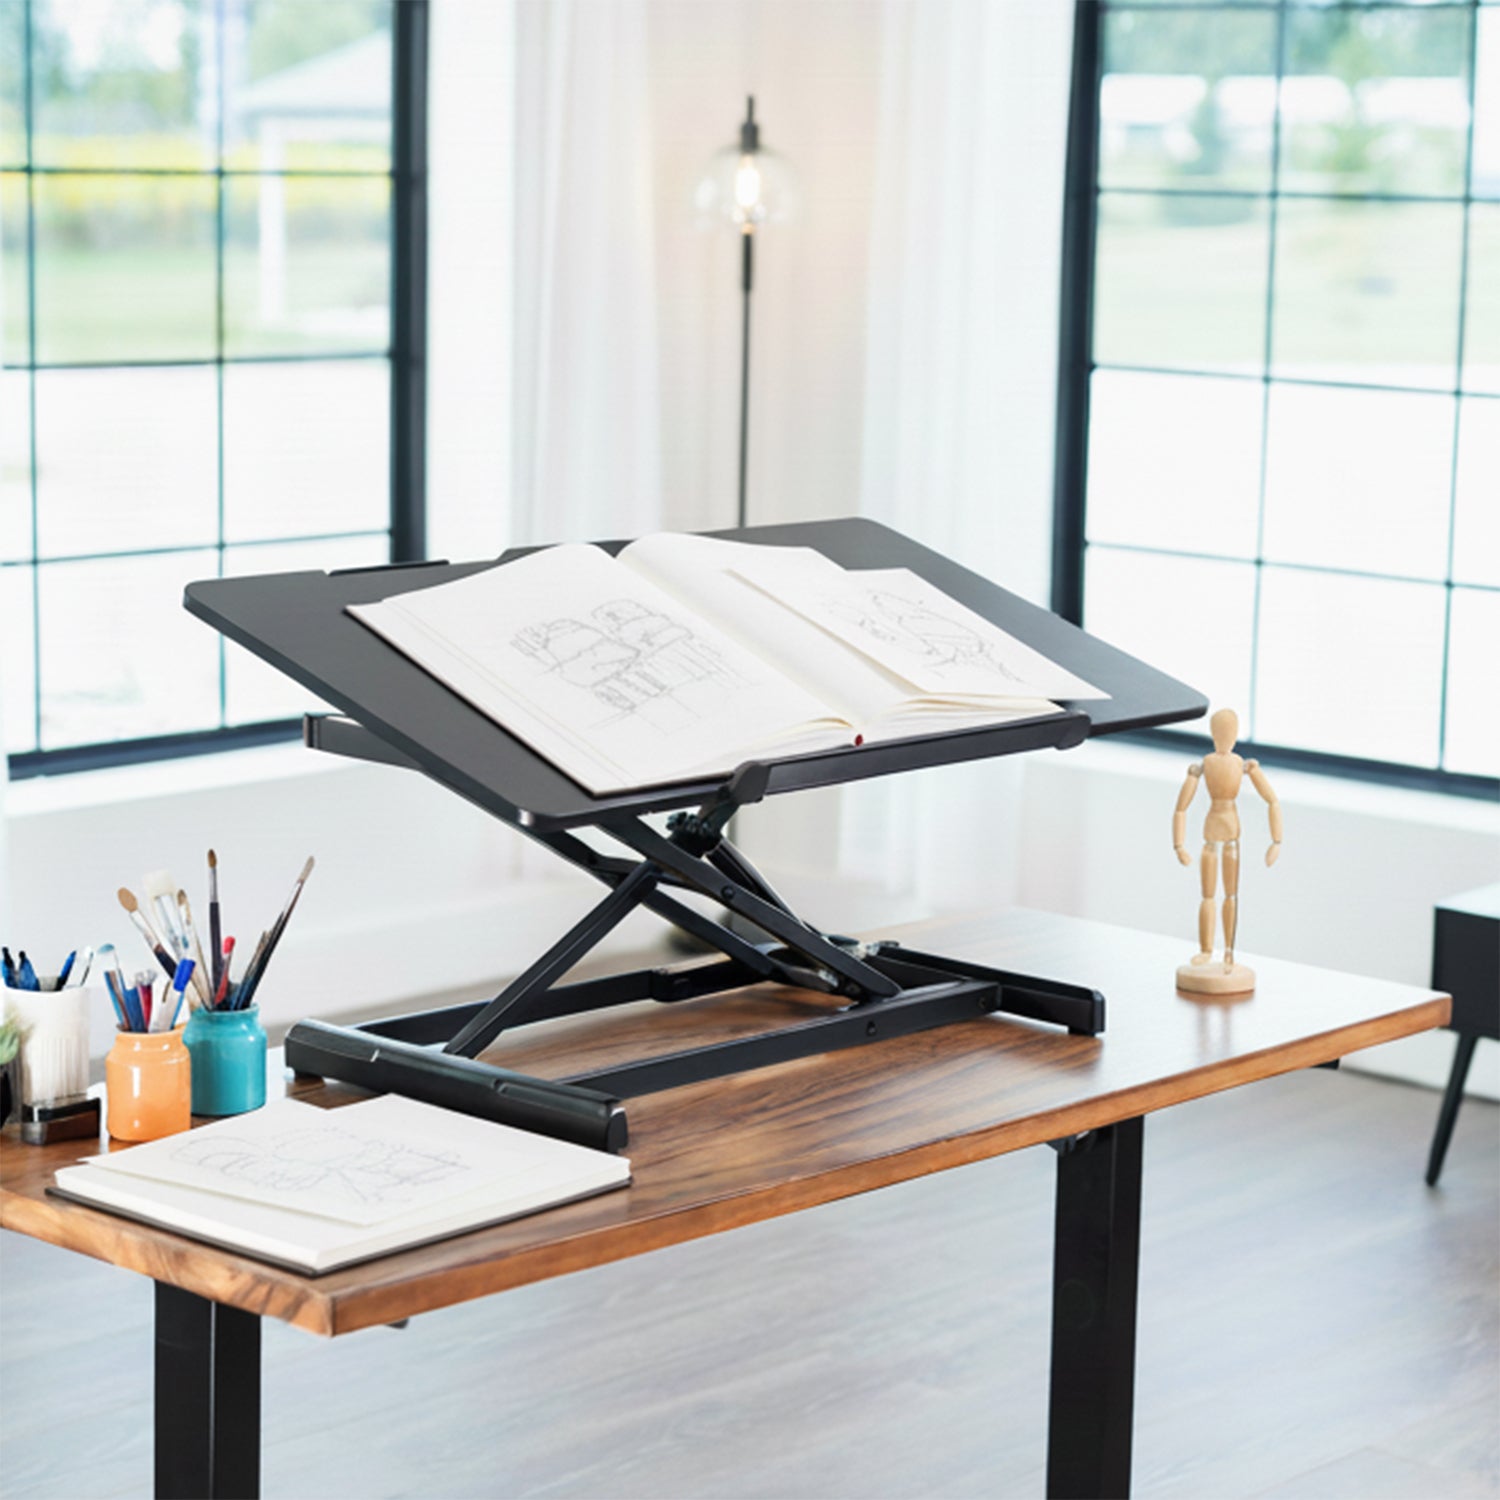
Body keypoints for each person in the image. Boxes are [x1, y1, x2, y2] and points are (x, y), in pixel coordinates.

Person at [1172, 708, 1282, 991]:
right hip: (1212, 828)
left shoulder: (1244, 765)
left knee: (1230, 895)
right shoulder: (1204, 765)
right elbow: (1181, 807)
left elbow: (1271, 799)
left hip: (1231, 830)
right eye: (1220, 732)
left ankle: (1228, 951)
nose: (1224, 737)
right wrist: (1179, 844)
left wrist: (1276, 841)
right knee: (1208, 894)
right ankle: (1207, 949)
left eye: (1228, 732)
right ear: (1213, 734)